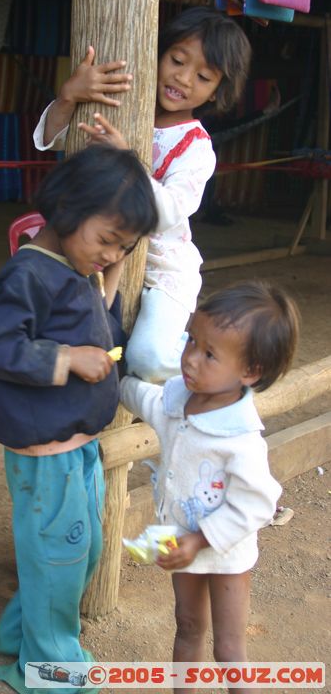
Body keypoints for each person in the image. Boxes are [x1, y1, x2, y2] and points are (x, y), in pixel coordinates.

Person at [0, 145, 158, 694]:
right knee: (61, 554)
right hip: (44, 450)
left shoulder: (77, 267)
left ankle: (19, 633)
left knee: (82, 551)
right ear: (66, 210)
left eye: (123, 246)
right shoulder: (28, 273)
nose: (111, 254)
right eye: (107, 239)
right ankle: (51, 669)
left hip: (76, 444)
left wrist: (111, 271)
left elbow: (91, 317)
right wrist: (66, 358)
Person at [34, 6, 252, 383]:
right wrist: (69, 96)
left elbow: (168, 213)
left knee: (147, 358)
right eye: (177, 60)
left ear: (219, 91)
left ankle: (215, 368)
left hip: (162, 269)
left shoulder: (196, 148)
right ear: (158, 51)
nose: (183, 78)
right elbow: (50, 140)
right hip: (95, 250)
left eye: (202, 76)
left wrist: (129, 161)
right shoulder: (123, 106)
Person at [120, 280, 300, 694]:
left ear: (250, 372)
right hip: (180, 541)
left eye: (209, 354)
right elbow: (149, 401)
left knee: (229, 649)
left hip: (225, 551)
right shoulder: (179, 399)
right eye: (191, 341)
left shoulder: (241, 439)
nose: (190, 359)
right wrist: (114, 384)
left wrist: (200, 541)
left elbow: (257, 505)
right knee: (186, 627)